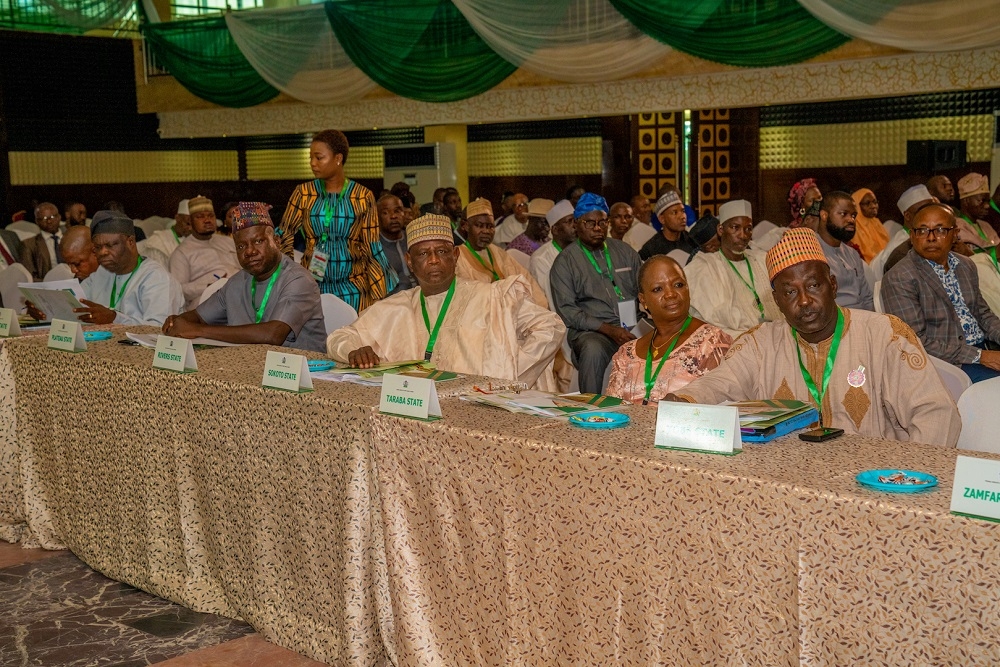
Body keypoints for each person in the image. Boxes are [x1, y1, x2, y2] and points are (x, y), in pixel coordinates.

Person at [667, 227, 960, 446]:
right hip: (786, 484)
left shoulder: (885, 335)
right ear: (776, 301)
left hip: (873, 485)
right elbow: (722, 383)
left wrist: (905, 479)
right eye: (790, 292)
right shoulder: (759, 344)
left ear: (832, 285)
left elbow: (935, 413)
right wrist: (684, 401)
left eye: (814, 286)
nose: (804, 301)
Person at [326, 214, 564, 388]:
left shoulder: (491, 297)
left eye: (441, 251)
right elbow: (339, 337)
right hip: (413, 407)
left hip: (473, 408)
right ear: (409, 261)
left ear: (455, 255)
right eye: (423, 253)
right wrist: (353, 350)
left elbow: (550, 327)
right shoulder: (396, 307)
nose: (433, 260)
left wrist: (509, 373)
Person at [162, 202, 326, 352]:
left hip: (300, 373)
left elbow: (273, 334)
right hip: (251, 368)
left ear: (276, 241)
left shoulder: (298, 280)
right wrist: (177, 321)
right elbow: (198, 316)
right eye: (241, 246)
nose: (250, 251)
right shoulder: (236, 282)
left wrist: (196, 330)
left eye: (258, 241)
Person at [278, 129, 395, 312]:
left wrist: (377, 293)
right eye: (311, 158)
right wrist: (290, 277)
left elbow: (371, 246)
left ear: (338, 158)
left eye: (319, 158)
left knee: (354, 338)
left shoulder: (362, 196)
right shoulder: (303, 193)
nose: (312, 163)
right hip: (312, 286)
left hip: (354, 288)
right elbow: (284, 234)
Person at [881, 202, 1000, 384]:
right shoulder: (899, 277)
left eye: (940, 230)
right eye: (922, 230)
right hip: (949, 364)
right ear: (912, 236)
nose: (931, 237)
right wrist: (981, 356)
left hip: (984, 350)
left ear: (954, 235)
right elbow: (914, 340)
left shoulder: (966, 265)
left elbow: (983, 315)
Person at [550, 193, 643, 394]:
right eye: (589, 223)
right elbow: (569, 312)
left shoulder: (625, 252)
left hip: (633, 327)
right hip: (593, 332)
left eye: (602, 222)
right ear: (576, 224)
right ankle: (589, 410)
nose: (597, 228)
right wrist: (610, 330)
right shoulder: (565, 262)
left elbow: (643, 288)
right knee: (592, 350)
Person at [606, 256, 732, 405]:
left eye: (678, 285)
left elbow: (718, 403)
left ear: (688, 290)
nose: (671, 294)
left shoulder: (712, 342)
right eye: (658, 289)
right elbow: (612, 410)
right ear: (643, 300)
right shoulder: (626, 354)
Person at [686, 200, 780, 338]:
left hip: (776, 334)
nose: (743, 235)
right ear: (721, 230)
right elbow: (710, 325)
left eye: (748, 229)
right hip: (736, 342)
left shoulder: (762, 259)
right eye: (735, 228)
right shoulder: (705, 267)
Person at [71, 211, 182, 327]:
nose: (103, 252)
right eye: (98, 247)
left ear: (130, 242)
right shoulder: (102, 273)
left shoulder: (156, 278)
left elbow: (159, 328)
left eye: (110, 245)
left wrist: (114, 318)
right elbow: (77, 303)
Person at [456, 198, 548, 307]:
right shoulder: (457, 257)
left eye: (490, 227)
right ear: (464, 226)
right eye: (480, 226)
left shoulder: (498, 252)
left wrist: (540, 307)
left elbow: (527, 281)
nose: (486, 231)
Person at [168, 196, 240, 310]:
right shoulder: (181, 253)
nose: (207, 220)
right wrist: (208, 287)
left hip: (240, 290)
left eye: (211, 216)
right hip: (207, 300)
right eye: (200, 217)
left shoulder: (228, 241)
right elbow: (178, 289)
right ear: (190, 222)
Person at [816, 191, 874, 311]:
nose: (851, 220)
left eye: (853, 215)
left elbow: (867, 297)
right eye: (843, 214)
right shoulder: (812, 251)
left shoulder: (852, 253)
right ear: (824, 215)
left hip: (862, 320)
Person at [874, 185, 936, 279]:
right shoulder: (899, 249)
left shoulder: (932, 236)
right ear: (907, 216)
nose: (929, 214)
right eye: (922, 210)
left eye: (932, 208)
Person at [529, 199, 575, 308]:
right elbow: (550, 300)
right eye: (569, 221)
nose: (575, 226)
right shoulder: (541, 259)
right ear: (555, 230)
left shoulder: (580, 251)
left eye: (576, 221)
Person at [755, 178, 823, 252]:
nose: (818, 203)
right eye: (812, 200)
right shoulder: (784, 235)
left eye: (819, 197)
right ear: (801, 206)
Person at [639, 190, 696, 260]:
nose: (682, 216)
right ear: (662, 219)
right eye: (675, 212)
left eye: (683, 211)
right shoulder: (651, 249)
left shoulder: (692, 242)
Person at [378, 194, 416, 295]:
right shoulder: (373, 247)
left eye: (397, 211)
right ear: (377, 217)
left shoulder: (414, 239)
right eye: (385, 212)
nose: (393, 216)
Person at [955, 173, 999, 253]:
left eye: (988, 201)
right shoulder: (957, 227)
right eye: (981, 201)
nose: (987, 206)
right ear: (966, 201)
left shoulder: (985, 225)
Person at [21, 202, 62, 280]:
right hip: (47, 285)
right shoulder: (29, 244)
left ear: (59, 217)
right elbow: (30, 276)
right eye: (44, 219)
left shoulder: (71, 237)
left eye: (52, 217)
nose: (49, 221)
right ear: (37, 221)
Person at [850, 188, 889, 263]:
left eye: (875, 202)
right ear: (857, 206)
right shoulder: (853, 227)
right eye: (867, 203)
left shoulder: (875, 222)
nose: (873, 206)